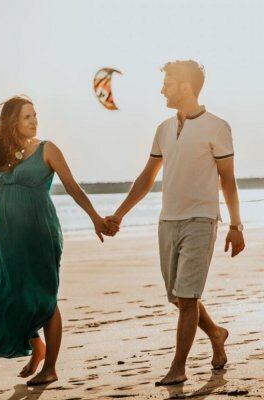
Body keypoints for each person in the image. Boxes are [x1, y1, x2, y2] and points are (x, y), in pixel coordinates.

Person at [0, 95, 116, 386]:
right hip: (11, 237)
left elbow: (73, 188)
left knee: (44, 297)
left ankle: (50, 367)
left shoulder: (47, 149)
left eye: (35, 115)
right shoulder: (1, 155)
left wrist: (96, 218)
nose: (35, 120)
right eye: (27, 116)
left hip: (39, 232)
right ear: (12, 122)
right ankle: (36, 346)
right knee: (12, 292)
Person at [105, 60, 245, 385]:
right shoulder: (163, 129)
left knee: (188, 298)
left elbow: (228, 179)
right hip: (167, 221)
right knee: (180, 297)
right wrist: (120, 214)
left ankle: (178, 367)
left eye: (167, 83)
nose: (162, 89)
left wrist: (236, 226)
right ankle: (217, 334)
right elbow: (146, 177)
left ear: (185, 86)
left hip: (201, 220)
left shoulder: (217, 126)